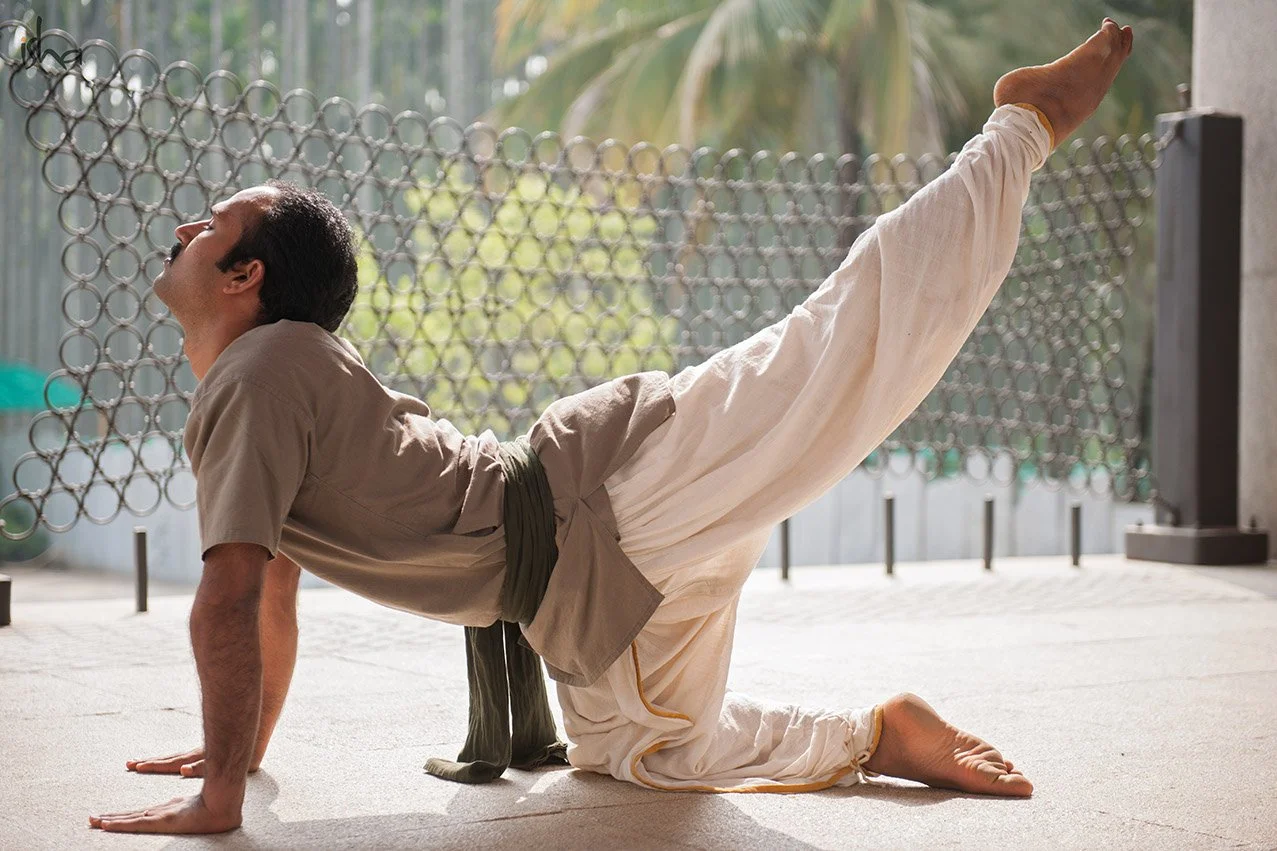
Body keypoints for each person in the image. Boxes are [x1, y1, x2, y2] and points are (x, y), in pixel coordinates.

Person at [89, 19, 1134, 834]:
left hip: (614, 492)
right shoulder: (269, 372)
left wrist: (221, 789)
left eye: (209, 224)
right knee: (647, 751)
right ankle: (878, 732)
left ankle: (1021, 125)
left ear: (245, 275)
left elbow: (229, 593)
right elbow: (267, 585)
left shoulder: (262, 369)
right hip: (588, 578)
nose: (185, 228)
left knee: (843, 344)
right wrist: (237, 754)